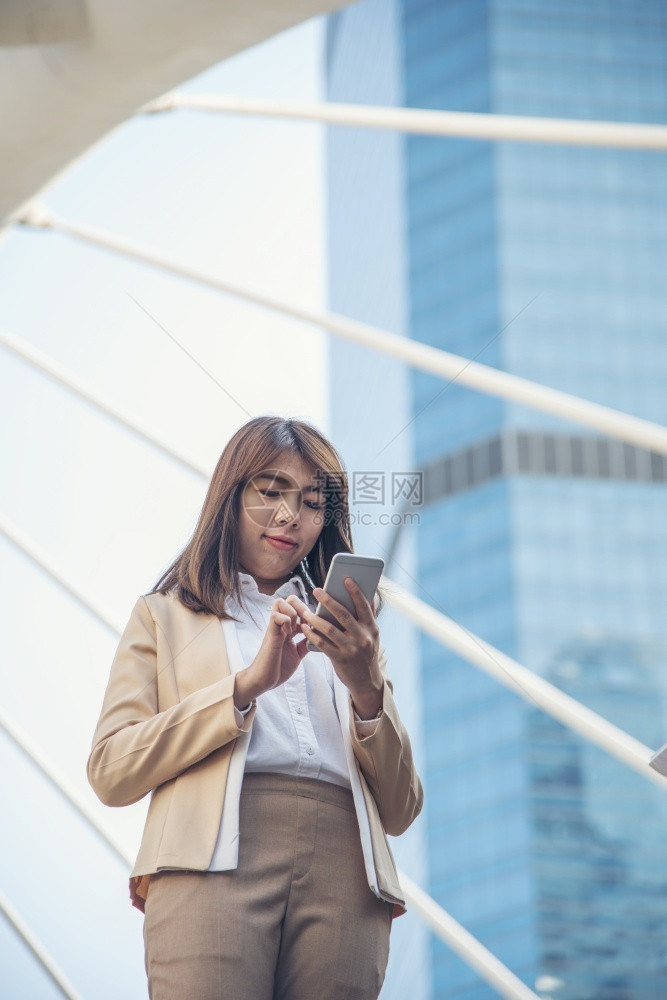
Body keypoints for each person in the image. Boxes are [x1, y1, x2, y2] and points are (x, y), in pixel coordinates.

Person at [87, 414, 424, 1000]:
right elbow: (111, 770)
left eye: (313, 502)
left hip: (347, 868)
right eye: (270, 492)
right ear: (230, 496)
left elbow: (400, 809)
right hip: (209, 862)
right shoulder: (164, 616)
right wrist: (243, 687)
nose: (292, 516)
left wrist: (367, 686)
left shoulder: (351, 633)